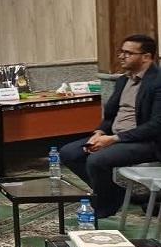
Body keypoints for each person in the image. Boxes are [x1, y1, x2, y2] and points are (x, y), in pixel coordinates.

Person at [60, 34, 161, 218]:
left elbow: (156, 126)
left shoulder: (157, 82)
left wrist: (113, 139)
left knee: (97, 160)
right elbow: (110, 115)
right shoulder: (123, 80)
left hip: (146, 142)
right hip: (114, 136)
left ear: (146, 57)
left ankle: (104, 207)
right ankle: (113, 193)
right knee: (69, 153)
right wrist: (99, 132)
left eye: (128, 53)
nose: (122, 56)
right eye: (121, 52)